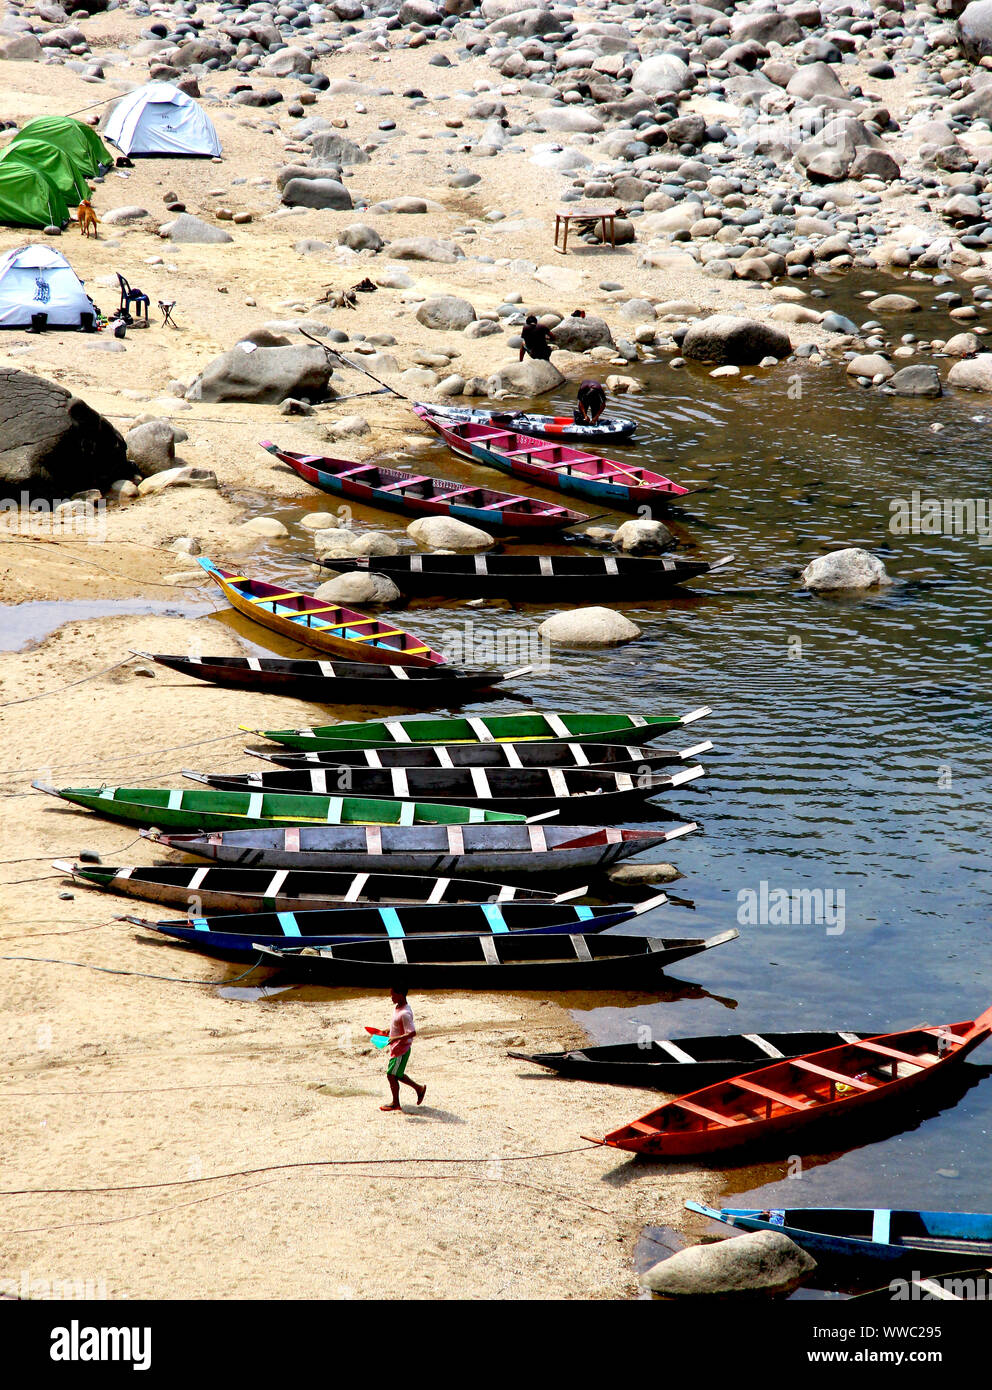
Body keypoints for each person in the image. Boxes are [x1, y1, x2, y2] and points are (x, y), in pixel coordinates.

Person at [373, 984, 426, 1112]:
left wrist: (395, 1038)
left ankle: (395, 1103)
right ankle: (419, 1089)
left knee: (391, 1075)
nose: (391, 997)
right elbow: (398, 1025)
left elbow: (412, 1032)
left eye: (393, 994)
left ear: (400, 995)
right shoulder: (399, 1007)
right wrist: (388, 1031)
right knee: (397, 1074)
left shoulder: (405, 1013)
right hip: (397, 1048)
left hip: (401, 1049)